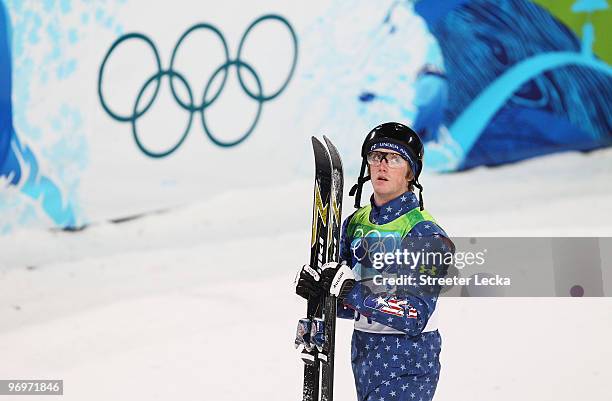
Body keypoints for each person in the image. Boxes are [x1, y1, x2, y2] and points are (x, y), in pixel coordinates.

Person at [295, 122, 454, 401]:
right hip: (365, 353)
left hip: (409, 360)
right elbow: (349, 306)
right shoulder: (355, 224)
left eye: (394, 158)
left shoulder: (425, 233)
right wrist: (321, 292)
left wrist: (352, 292)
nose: (382, 165)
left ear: (410, 172)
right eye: (376, 156)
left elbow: (415, 315)